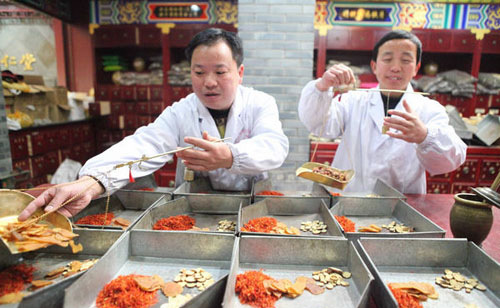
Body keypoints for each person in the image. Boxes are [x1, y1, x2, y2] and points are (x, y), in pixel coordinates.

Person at [19, 28, 289, 219]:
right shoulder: (181, 111)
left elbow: (274, 146)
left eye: (220, 71)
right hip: (196, 208)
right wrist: (92, 181)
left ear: (239, 73)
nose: (208, 82)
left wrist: (230, 156)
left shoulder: (260, 103)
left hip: (253, 204)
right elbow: (145, 143)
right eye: (198, 72)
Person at [298, 30, 466, 194]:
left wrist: (425, 136)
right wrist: (322, 86)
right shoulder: (353, 101)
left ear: (416, 68)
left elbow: (449, 162)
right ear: (374, 66)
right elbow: (318, 124)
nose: (395, 67)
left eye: (406, 60)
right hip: (349, 202)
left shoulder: (429, 109)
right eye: (387, 59)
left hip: (400, 209)